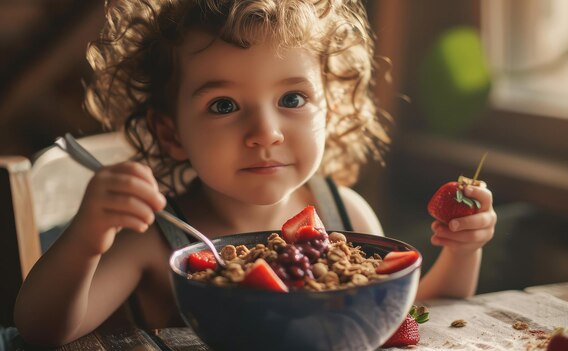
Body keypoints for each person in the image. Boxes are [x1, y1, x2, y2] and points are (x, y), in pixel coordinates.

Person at [14, 0, 497, 346]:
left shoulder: (343, 212)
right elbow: (41, 332)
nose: (265, 132)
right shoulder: (154, 239)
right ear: (171, 132)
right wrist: (88, 236)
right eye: (223, 105)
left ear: (329, 106)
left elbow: (404, 316)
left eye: (292, 99)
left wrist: (462, 250)